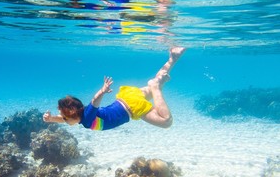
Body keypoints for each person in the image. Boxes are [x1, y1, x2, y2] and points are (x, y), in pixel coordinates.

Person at [43, 47, 186, 130]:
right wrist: (51, 119)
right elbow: (67, 118)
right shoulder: (81, 114)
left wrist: (102, 91)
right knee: (156, 82)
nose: (64, 121)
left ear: (73, 115)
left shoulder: (87, 118)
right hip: (127, 96)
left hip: (132, 107)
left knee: (166, 121)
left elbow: (94, 101)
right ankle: (173, 57)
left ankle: (156, 87)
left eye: (65, 118)